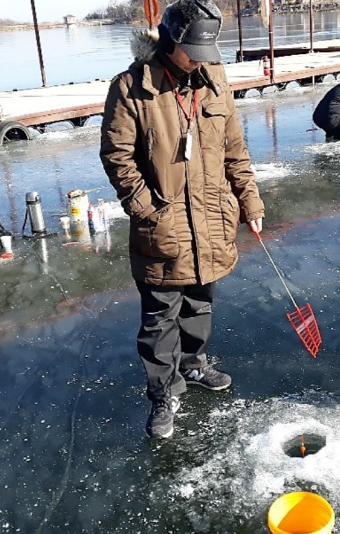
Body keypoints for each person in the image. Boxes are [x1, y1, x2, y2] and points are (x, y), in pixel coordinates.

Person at [99, 0, 265, 439]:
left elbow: (235, 150)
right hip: (163, 227)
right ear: (171, 41)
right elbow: (117, 158)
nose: (200, 59)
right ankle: (163, 392)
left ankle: (193, 364)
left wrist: (249, 203)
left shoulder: (215, 80)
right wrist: (147, 208)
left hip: (211, 221)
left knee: (200, 302)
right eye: (192, 50)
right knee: (159, 316)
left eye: (206, 50)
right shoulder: (131, 88)